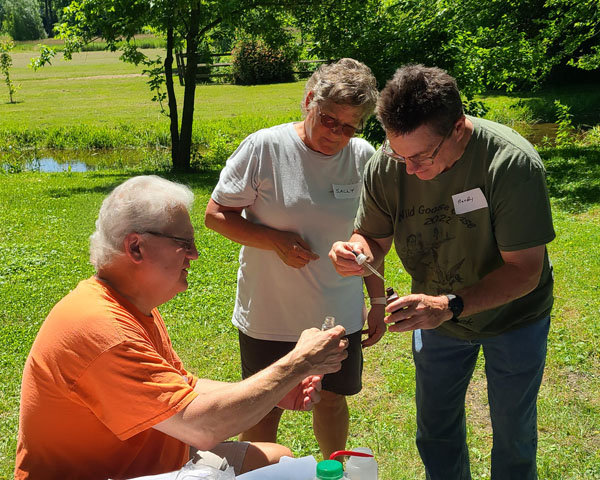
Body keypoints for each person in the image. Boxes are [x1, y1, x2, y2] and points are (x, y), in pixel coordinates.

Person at [15, 175, 349, 480]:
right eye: (184, 243)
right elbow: (201, 427)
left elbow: (183, 387)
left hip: (143, 459)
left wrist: (276, 388)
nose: (195, 255)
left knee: (278, 459)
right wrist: (298, 364)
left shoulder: (128, 305)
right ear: (135, 247)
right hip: (112, 472)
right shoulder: (102, 330)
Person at [329, 65, 555, 479]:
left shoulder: (510, 164)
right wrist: (356, 250)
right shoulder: (389, 163)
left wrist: (449, 304)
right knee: (435, 432)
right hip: (437, 322)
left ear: (458, 128)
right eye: (399, 154)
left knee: (513, 433)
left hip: (514, 318)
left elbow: (525, 271)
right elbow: (373, 237)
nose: (409, 169)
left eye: (421, 157)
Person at [204, 58, 385, 459]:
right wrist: (275, 241)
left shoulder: (362, 156)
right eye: (328, 120)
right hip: (271, 313)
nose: (337, 134)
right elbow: (216, 215)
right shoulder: (265, 147)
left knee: (333, 399)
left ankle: (333, 470)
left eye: (349, 126)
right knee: (263, 403)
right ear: (308, 102)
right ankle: (261, 473)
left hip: (335, 313)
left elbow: (372, 236)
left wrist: (377, 301)